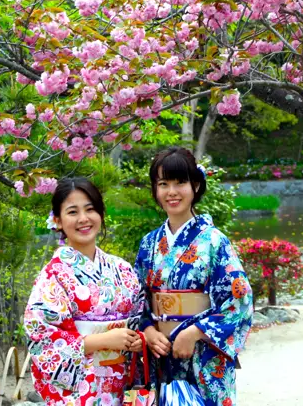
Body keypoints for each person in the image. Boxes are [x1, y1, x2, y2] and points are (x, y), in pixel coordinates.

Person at [134, 147, 253, 406]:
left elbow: (239, 302)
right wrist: (147, 331)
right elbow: (137, 301)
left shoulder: (214, 242)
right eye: (163, 184)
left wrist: (196, 331)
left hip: (204, 357)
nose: (171, 192)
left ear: (195, 186)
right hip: (161, 356)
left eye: (180, 183)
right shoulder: (149, 244)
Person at [24, 177, 145, 406]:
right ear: (58, 221)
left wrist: (137, 339)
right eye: (72, 212)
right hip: (82, 387)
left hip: (123, 383)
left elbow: (140, 320)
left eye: (90, 209)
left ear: (100, 214)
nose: (83, 219)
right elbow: (42, 338)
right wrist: (101, 340)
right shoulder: (53, 276)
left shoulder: (123, 269)